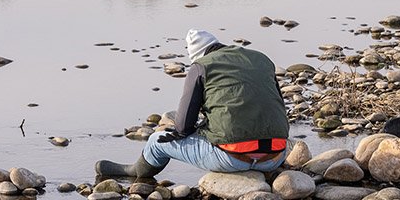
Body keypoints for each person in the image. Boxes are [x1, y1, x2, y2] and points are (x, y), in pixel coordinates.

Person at [95, 29, 289, 180]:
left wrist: (183, 131)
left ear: (196, 55)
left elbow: (183, 126)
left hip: (231, 159)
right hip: (275, 157)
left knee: (156, 141)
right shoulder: (262, 59)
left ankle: (135, 172)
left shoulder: (200, 66)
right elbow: (279, 105)